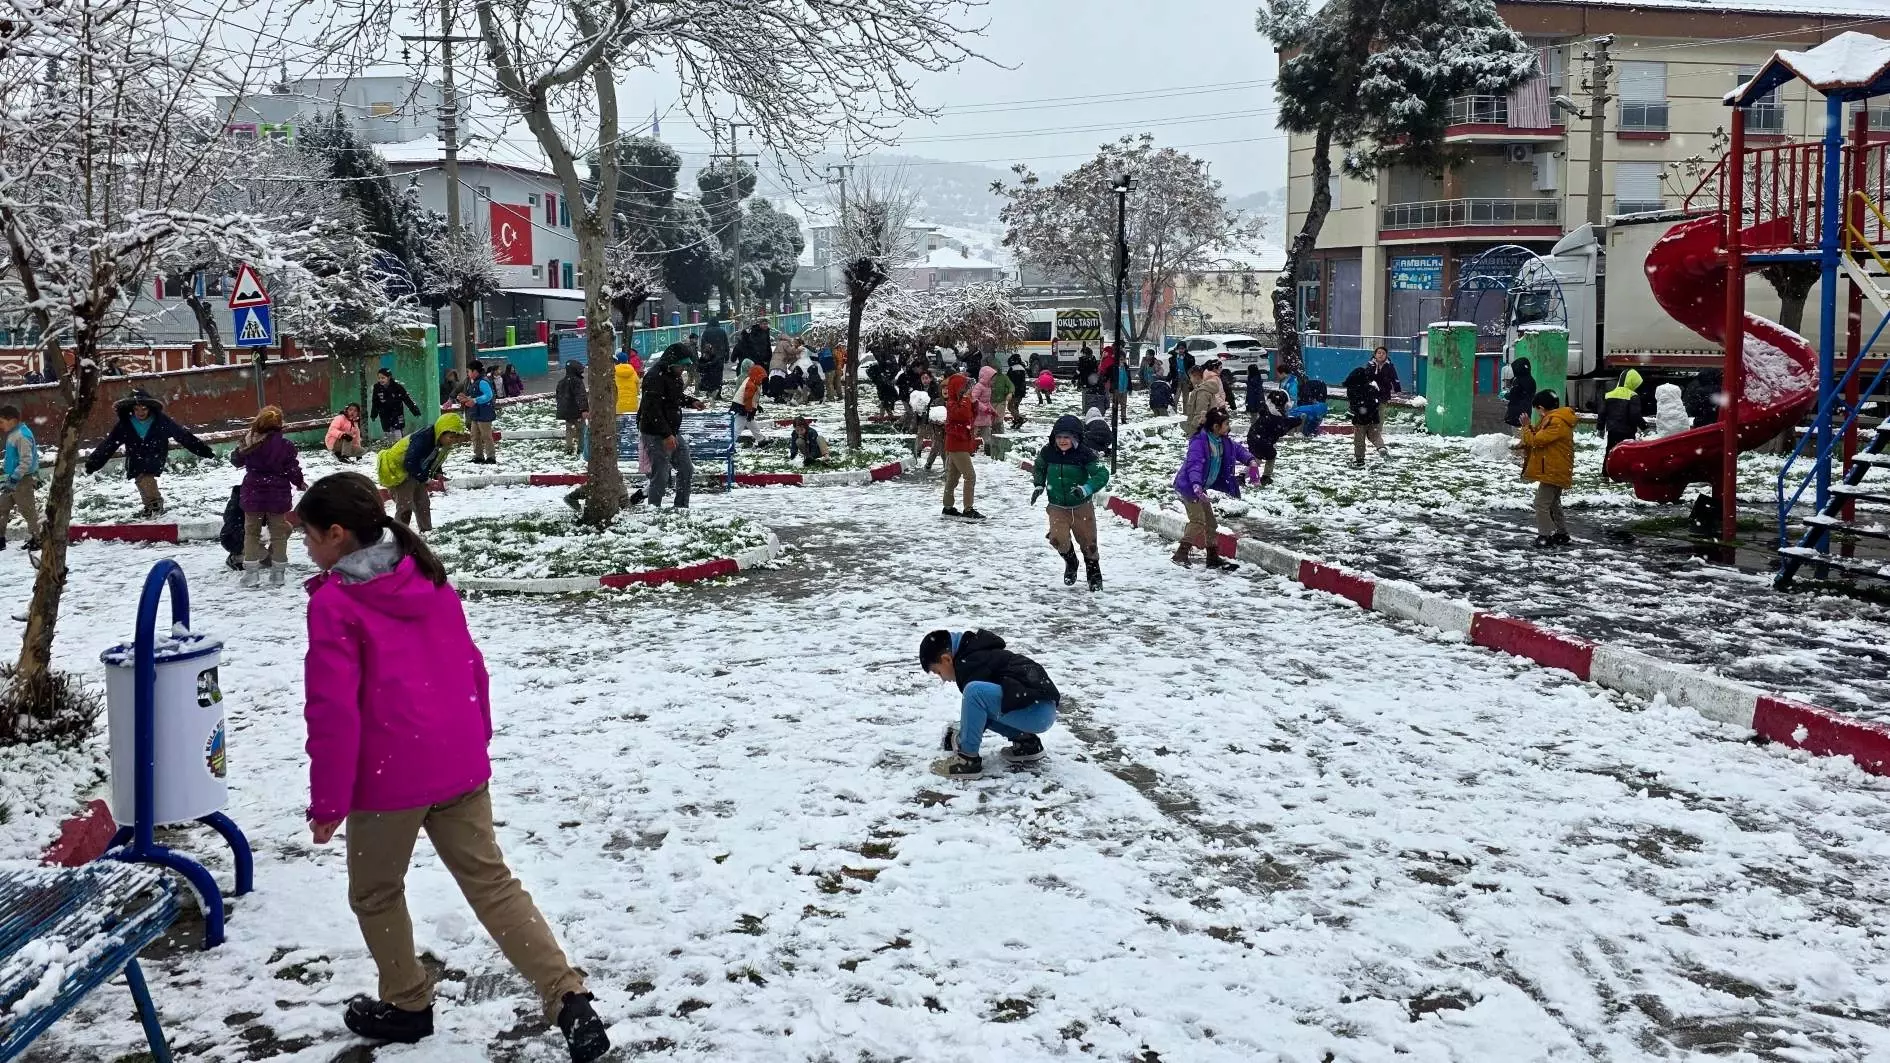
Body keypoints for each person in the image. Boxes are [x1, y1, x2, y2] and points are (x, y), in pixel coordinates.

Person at [293, 472, 611, 1062]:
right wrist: (474, 740)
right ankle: (567, 996)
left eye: (309, 537)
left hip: (388, 779)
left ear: (337, 534)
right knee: (493, 884)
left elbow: (333, 712)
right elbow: (471, 665)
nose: (306, 549)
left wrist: (329, 801)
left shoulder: (336, 604)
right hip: (458, 763)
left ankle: (408, 1003)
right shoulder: (427, 575)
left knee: (376, 892)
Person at [920, 629, 1061, 779]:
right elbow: (982, 714)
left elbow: (976, 710)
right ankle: (1026, 744)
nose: (942, 679)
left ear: (947, 659)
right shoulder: (975, 653)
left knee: (974, 693)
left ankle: (966, 762)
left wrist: (960, 740)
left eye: (938, 672)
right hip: (1041, 707)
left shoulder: (968, 663)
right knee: (981, 702)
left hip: (1036, 711)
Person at [84, 390, 215, 515]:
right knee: (139, 480)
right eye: (136, 409)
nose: (140, 412)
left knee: (145, 478)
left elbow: (182, 436)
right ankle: (149, 507)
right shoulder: (125, 424)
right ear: (131, 409)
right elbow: (109, 444)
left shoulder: (160, 421)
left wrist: (204, 451)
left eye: (144, 408)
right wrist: (93, 463)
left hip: (155, 454)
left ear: (150, 408)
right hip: (135, 457)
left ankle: (156, 505)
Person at [1172, 408, 1258, 571]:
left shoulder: (1222, 441)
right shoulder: (1199, 442)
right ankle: (1180, 554)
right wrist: (1196, 485)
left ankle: (1212, 558)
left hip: (1201, 487)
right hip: (1190, 487)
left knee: (1211, 523)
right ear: (1215, 427)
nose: (1229, 427)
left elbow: (1238, 450)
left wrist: (1250, 460)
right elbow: (1194, 465)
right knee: (1198, 521)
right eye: (1226, 424)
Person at [1031, 414, 1110, 591]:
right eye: (1058, 437)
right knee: (1058, 539)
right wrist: (1038, 485)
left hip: (1082, 507)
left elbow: (1102, 474)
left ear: (1075, 437)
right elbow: (1039, 467)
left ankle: (1094, 574)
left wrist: (1086, 489)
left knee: (1089, 543)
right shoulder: (1048, 452)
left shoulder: (1084, 454)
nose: (1062, 441)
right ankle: (1071, 561)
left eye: (1066, 437)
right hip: (1057, 507)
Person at [232, 405, 306, 588]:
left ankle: (251, 574)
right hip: (277, 495)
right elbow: (292, 468)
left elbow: (236, 460)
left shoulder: (250, 441)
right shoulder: (285, 446)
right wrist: (299, 482)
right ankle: (278, 574)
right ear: (280, 424)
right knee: (278, 534)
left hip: (253, 493)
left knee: (251, 533)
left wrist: (241, 448)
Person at [637, 343, 706, 509]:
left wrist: (691, 401)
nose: (683, 370)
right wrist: (666, 435)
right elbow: (652, 409)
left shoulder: (673, 376)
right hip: (655, 432)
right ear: (671, 363)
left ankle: (681, 506)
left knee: (686, 468)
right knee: (661, 474)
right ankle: (654, 509)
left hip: (672, 431)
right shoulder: (654, 377)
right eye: (681, 366)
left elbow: (674, 397)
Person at [376, 412, 469, 533]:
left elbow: (431, 458)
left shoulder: (436, 440)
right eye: (451, 437)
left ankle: (426, 531)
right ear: (442, 431)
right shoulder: (424, 438)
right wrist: (426, 479)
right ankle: (399, 534)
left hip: (415, 471)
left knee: (423, 503)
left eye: (456, 438)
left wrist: (436, 473)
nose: (453, 441)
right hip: (398, 471)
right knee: (405, 506)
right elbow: (410, 461)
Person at [1519, 390, 1576, 548]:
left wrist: (1525, 427)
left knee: (1541, 503)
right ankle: (1562, 534)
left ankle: (1544, 536)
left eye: (1537, 410)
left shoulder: (1555, 421)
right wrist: (1529, 429)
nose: (1537, 413)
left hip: (1553, 469)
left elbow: (1536, 441)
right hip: (1556, 467)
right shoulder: (1554, 419)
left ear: (1542, 408)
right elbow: (1538, 435)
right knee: (1553, 503)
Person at [941, 371, 983, 520]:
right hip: (956, 444)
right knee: (970, 476)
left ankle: (948, 507)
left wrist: (973, 403)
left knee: (953, 477)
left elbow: (972, 416)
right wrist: (966, 399)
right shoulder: (952, 403)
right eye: (965, 388)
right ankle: (968, 509)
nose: (968, 391)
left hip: (960, 443)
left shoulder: (961, 401)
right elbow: (962, 415)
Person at [0, 404, 40, 552]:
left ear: (12, 420)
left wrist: (15, 478)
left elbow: (26, 461)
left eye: (1, 422)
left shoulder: (22, 435)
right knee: (2, 507)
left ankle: (38, 539)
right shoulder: (14, 433)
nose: (0, 425)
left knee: (28, 510)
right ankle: (0, 539)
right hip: (12, 478)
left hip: (22, 480)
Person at [1246, 383, 1299, 488]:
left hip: (1253, 436)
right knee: (1266, 457)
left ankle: (1247, 476)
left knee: (1257, 459)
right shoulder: (1276, 416)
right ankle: (1264, 476)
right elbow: (1282, 429)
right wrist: (1296, 421)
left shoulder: (1266, 410)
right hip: (1263, 441)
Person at [1342, 364, 1389, 468]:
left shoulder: (1352, 389)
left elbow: (1354, 404)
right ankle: (1381, 447)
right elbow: (1376, 402)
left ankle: (1359, 460)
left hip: (1360, 419)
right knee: (1375, 435)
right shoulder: (1371, 388)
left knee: (1359, 440)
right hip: (1373, 418)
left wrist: (1354, 412)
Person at [1598, 368, 1648, 453]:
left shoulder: (1609, 395)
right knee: (1626, 453)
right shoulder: (1633, 396)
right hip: (1627, 432)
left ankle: (1608, 462)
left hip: (1612, 431)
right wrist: (1644, 426)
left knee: (1611, 452)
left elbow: (1602, 412)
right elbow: (1635, 415)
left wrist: (1600, 427)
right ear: (1632, 382)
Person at [371, 369, 421, 444]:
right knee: (387, 432)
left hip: (397, 413)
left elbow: (407, 399)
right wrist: (374, 414)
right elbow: (375, 402)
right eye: (379, 378)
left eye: (383, 378)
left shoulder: (397, 387)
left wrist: (415, 411)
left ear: (389, 377)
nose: (381, 380)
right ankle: (390, 447)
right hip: (384, 414)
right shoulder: (377, 387)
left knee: (398, 431)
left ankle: (400, 446)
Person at [465, 362, 498, 464]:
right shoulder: (475, 381)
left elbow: (488, 395)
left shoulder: (482, 382)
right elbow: (476, 395)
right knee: (474, 435)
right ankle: (478, 456)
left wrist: (475, 400)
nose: (468, 373)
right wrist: (467, 399)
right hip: (476, 413)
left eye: (468, 371)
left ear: (475, 371)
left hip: (484, 413)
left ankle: (491, 457)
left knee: (486, 436)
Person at [555, 361, 588, 455]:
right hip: (576, 410)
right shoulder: (577, 382)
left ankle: (569, 448)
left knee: (569, 430)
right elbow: (581, 396)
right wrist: (584, 409)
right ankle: (581, 449)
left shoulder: (561, 382)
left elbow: (558, 397)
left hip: (566, 411)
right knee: (581, 430)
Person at [731, 363, 768, 446]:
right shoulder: (751, 384)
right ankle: (729, 444)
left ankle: (761, 439)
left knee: (751, 423)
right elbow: (747, 399)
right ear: (756, 376)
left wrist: (757, 406)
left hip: (743, 405)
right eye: (761, 377)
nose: (762, 380)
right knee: (738, 427)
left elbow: (752, 397)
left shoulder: (752, 381)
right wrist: (750, 410)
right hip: (742, 407)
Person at [1182, 364, 1220, 436]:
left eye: (1190, 377)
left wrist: (1193, 428)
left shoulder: (1202, 392)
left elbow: (1201, 412)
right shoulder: (1201, 389)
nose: (1190, 379)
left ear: (1196, 377)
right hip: (1204, 428)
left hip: (1200, 429)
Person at [1503, 357, 1538, 433]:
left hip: (1517, 411)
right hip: (1526, 410)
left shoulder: (1519, 380)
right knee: (1524, 429)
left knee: (1518, 432)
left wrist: (1505, 395)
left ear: (1518, 368)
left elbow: (1513, 395)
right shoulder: (1531, 380)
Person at [971, 366, 999, 457]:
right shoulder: (979, 386)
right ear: (986, 378)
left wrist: (993, 411)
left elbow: (987, 402)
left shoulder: (988, 388)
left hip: (985, 416)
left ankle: (988, 451)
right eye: (992, 379)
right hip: (977, 415)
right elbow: (974, 399)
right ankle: (970, 449)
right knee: (973, 434)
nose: (993, 382)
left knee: (987, 434)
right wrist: (985, 409)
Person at [1005, 355, 1028, 428]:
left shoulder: (1012, 369)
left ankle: (1019, 418)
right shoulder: (1022, 369)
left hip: (1014, 391)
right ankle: (1016, 421)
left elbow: (1008, 380)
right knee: (1015, 407)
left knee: (1010, 407)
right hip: (1021, 391)